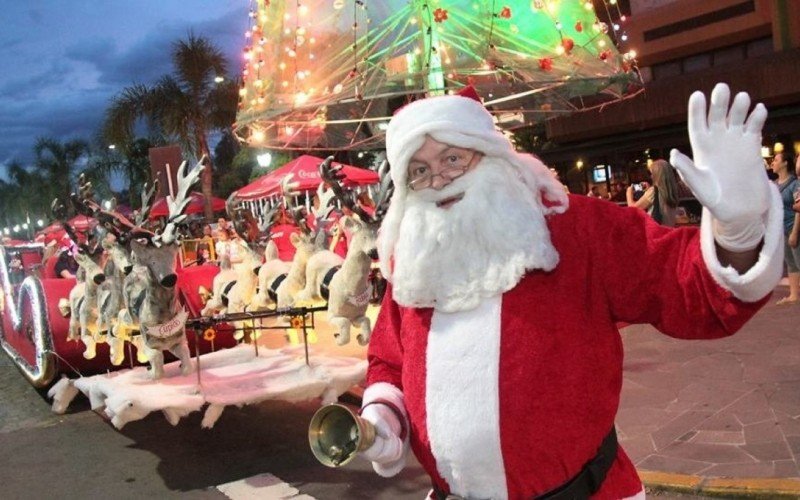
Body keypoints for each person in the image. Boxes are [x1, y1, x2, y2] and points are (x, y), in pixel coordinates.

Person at [355, 84, 782, 499]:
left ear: (493, 157)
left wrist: (737, 233)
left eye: (453, 158)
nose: (440, 180)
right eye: (420, 170)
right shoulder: (415, 264)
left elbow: (681, 286)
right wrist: (383, 417)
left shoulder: (576, 229)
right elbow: (390, 362)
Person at [770, 150, 800, 305]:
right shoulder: (773, 186)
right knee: (791, 262)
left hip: (793, 228)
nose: (772, 163)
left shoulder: (795, 184)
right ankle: (794, 294)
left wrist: (795, 232)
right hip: (781, 230)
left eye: (775, 160)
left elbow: (798, 210)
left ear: (785, 163)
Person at [626, 159, 680, 226]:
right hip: (668, 230)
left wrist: (629, 193)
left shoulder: (653, 191)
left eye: (651, 173)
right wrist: (649, 189)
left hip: (656, 232)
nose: (650, 176)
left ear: (657, 175)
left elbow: (633, 208)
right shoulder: (672, 190)